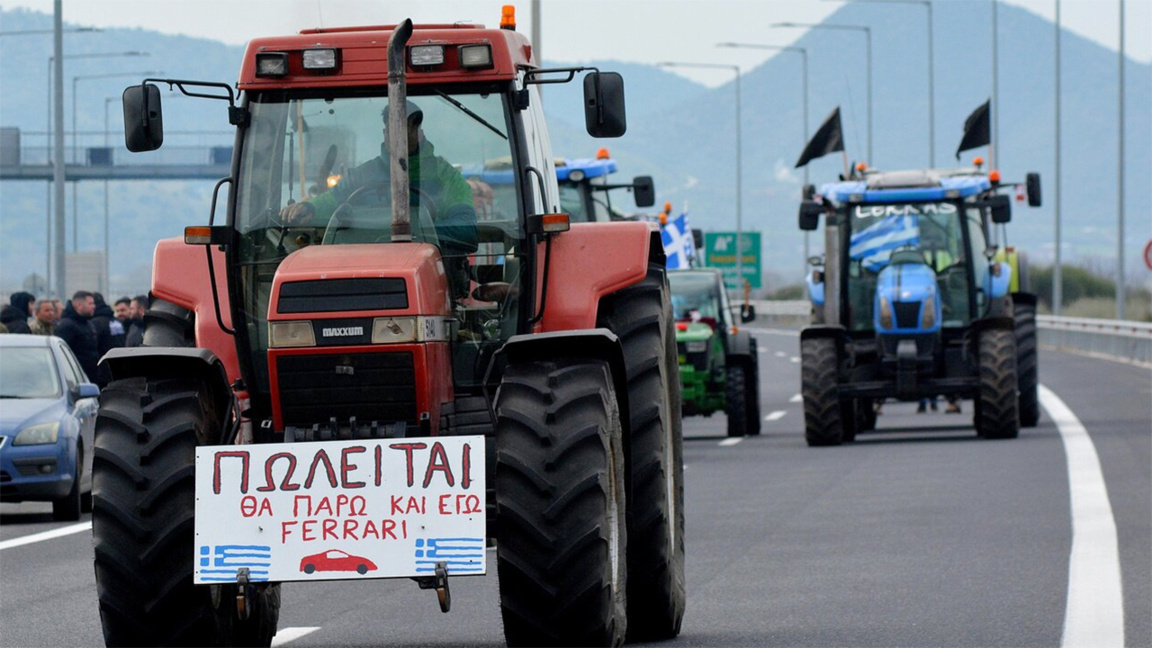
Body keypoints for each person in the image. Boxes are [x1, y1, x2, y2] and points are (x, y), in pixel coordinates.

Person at [279, 100, 478, 296]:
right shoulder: (362, 175)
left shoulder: (446, 177)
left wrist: (417, 231)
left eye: (407, 128)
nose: (400, 135)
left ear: (420, 132)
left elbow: (465, 228)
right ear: (385, 134)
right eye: (394, 129)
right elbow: (330, 201)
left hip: (431, 282)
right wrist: (308, 208)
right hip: (359, 280)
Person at [56, 291, 100, 383]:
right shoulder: (66, 326)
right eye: (90, 303)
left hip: (91, 376)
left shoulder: (88, 323)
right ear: (79, 305)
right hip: (76, 378)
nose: (94, 306)